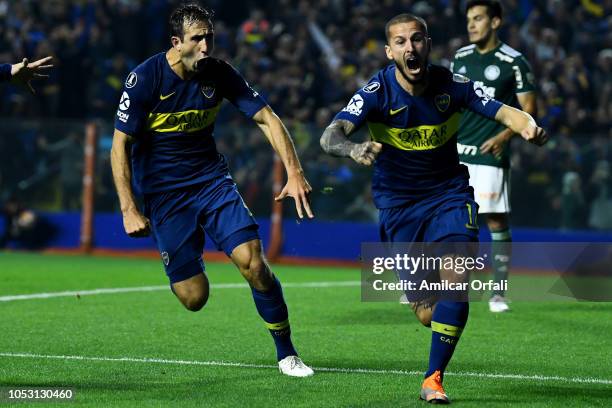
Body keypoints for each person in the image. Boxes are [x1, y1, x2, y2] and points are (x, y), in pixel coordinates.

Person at [320, 13, 547, 403]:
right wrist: (354, 147)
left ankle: (433, 379)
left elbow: (502, 109)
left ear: (428, 43)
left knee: (458, 278)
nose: (411, 48)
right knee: (428, 313)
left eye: (418, 39)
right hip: (398, 206)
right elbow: (330, 135)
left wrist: (524, 124)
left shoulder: (451, 84)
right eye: (401, 42)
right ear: (390, 51)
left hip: (449, 195)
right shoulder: (376, 92)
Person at [110, 3, 314, 377]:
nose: (206, 46)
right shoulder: (145, 80)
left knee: (254, 264)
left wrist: (294, 171)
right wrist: (128, 207)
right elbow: (119, 145)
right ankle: (190, 249)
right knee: (194, 298)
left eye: (210, 37)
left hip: (210, 183)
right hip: (166, 196)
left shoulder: (219, 74)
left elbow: (267, 118)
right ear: (177, 42)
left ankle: (287, 353)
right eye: (197, 39)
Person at [451, 0, 538, 313]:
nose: (471, 25)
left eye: (478, 18)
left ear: (496, 22)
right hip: (457, 152)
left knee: (496, 220)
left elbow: (530, 111)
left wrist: (504, 136)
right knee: (445, 217)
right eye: (469, 19)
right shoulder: (459, 58)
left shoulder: (514, 61)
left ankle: (498, 292)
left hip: (490, 155)